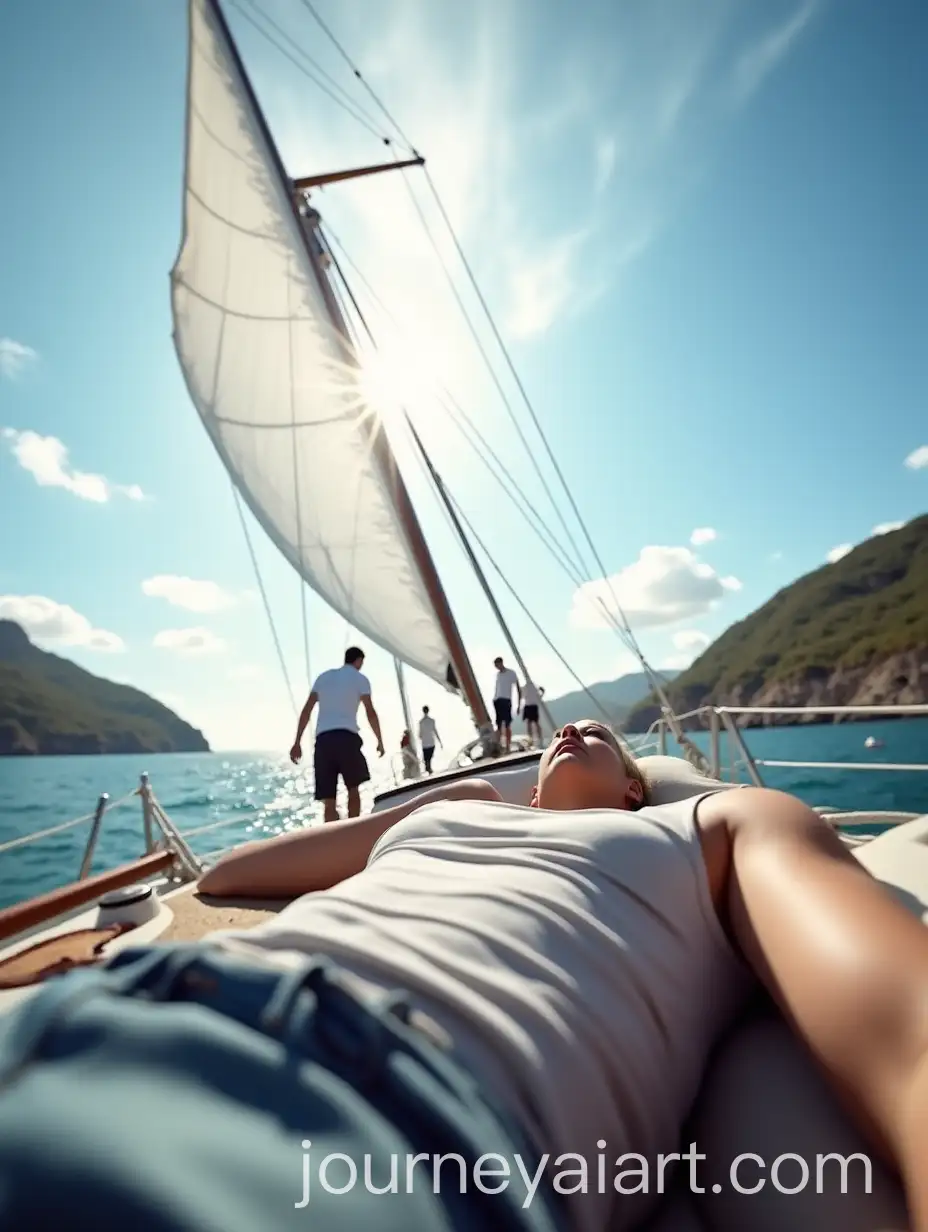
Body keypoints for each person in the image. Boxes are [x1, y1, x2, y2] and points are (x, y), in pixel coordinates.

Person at [2, 720, 928, 1232]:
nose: (571, 727)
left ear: (638, 786)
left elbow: (903, 1029)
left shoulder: (719, 824)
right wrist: (428, 810)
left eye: (597, 731)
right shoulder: (454, 813)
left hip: (371, 1110)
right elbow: (229, 876)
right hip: (95, 1011)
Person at [289, 646, 384, 823]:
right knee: (353, 790)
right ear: (358, 661)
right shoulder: (360, 679)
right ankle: (353, 830)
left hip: (324, 741)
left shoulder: (323, 677)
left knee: (329, 800)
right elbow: (370, 711)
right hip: (346, 738)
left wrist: (297, 742)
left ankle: (332, 837)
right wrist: (380, 740)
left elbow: (307, 710)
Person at [492, 655, 521, 752]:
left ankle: (508, 746)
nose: (497, 667)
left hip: (506, 700)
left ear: (501, 663)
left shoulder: (511, 673)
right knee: (499, 724)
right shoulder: (498, 675)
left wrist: (519, 704)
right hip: (497, 700)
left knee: (507, 724)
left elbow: (517, 688)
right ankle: (499, 746)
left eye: (498, 665)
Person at [418, 704, 441, 774]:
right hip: (431, 741)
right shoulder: (432, 721)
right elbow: (435, 730)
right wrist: (439, 741)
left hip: (424, 742)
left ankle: (428, 767)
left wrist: (421, 737)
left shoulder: (421, 722)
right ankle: (428, 768)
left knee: (426, 757)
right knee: (429, 756)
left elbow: (420, 734)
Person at [522, 680, 544, 745]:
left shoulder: (534, 687)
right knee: (530, 723)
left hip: (532, 706)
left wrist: (540, 694)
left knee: (534, 723)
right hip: (528, 706)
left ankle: (539, 739)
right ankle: (531, 739)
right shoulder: (527, 687)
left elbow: (521, 695)